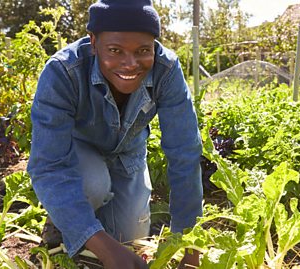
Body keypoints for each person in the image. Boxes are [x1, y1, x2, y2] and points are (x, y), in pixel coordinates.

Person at [26, 0, 203, 268]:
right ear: (94, 42)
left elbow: (184, 154)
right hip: (79, 152)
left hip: (128, 152)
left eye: (143, 50)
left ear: (154, 46)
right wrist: (102, 246)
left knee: (128, 237)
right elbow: (49, 166)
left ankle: (86, 226)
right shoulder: (63, 71)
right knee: (92, 188)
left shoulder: (167, 71)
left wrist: (189, 248)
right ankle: (59, 227)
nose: (130, 64)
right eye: (115, 50)